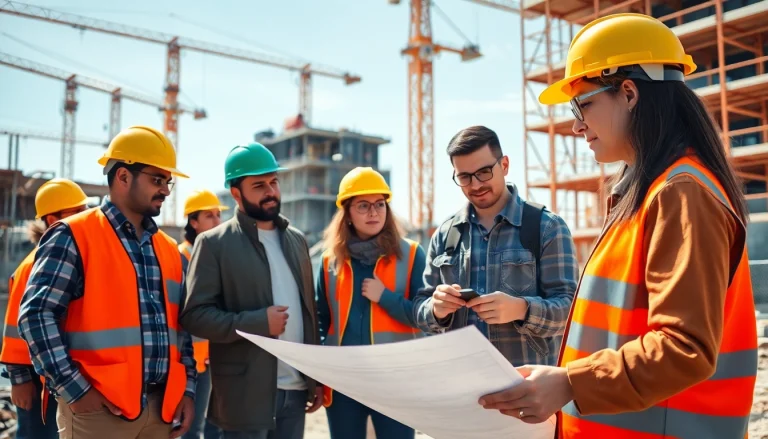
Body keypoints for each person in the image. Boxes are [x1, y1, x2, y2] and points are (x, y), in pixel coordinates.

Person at [477, 13, 758, 439]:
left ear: (628, 92)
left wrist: (571, 383)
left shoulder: (681, 193)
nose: (576, 125)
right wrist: (563, 380)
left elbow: (684, 350)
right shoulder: (651, 192)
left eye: (583, 104)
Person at [17, 125, 197, 439]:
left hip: (161, 412)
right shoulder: (72, 234)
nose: (166, 190)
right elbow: (36, 316)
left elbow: (181, 329)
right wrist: (76, 390)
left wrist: (188, 391)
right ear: (123, 177)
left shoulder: (168, 249)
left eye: (167, 181)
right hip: (98, 415)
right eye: (157, 179)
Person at [180, 143, 323, 439]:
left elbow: (308, 312)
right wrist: (257, 323)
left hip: (296, 391)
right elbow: (195, 317)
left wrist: (315, 378)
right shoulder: (213, 244)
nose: (270, 191)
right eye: (258, 185)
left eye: (273, 182)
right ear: (236, 193)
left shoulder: (297, 240)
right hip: (244, 395)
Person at [413, 125, 578, 367]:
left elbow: (572, 312)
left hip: (526, 388)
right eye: (464, 177)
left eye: (484, 172)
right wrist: (436, 309)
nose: (476, 184)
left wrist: (522, 309)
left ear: (505, 165)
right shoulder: (445, 234)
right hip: (461, 384)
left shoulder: (547, 227)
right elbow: (420, 309)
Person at [316, 167, 425, 439]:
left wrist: (385, 297)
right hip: (343, 381)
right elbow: (321, 320)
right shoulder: (330, 262)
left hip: (395, 380)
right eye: (363, 206)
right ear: (348, 214)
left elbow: (425, 317)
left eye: (379, 204)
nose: (374, 212)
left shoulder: (411, 254)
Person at [0, 178, 88, 439]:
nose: (86, 219)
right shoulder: (32, 265)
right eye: (78, 212)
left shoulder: (71, 256)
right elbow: (17, 328)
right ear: (52, 220)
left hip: (60, 374)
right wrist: (19, 380)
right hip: (36, 379)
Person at [179, 189, 228, 439]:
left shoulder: (215, 256)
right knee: (192, 427)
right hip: (193, 361)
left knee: (215, 427)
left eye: (219, 215)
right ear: (193, 222)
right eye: (209, 215)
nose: (217, 222)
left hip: (215, 355)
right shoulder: (181, 257)